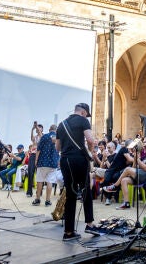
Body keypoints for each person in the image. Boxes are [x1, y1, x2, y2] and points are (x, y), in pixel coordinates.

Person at [55, 103, 99, 241]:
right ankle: (90, 224)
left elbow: (57, 147)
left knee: (71, 194)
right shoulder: (83, 121)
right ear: (84, 112)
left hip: (65, 161)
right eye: (87, 115)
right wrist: (90, 151)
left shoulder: (61, 124)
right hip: (79, 160)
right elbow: (90, 140)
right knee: (86, 190)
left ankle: (68, 232)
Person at [33, 123, 59, 206]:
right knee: (50, 182)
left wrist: (36, 160)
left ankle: (37, 199)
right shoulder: (58, 138)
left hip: (42, 162)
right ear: (56, 130)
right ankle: (47, 201)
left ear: (49, 129)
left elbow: (39, 149)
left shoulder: (44, 136)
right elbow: (59, 150)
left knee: (40, 181)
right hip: (53, 163)